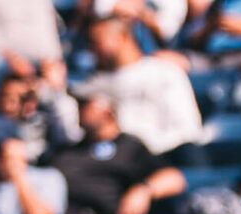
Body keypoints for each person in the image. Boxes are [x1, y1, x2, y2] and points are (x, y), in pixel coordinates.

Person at [49, 92, 185, 214]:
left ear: (108, 111)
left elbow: (175, 179)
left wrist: (144, 190)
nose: (80, 109)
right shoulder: (67, 152)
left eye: (86, 105)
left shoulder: (129, 147)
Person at [83, 13, 201, 158]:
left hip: (166, 156)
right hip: (118, 161)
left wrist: (146, 151)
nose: (92, 50)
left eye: (98, 42)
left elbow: (188, 129)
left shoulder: (164, 72)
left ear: (123, 37)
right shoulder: (92, 86)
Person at [0, 0, 68, 87]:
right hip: (3, 59)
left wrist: (54, 60)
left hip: (41, 63)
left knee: (60, 87)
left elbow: (49, 28)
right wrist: (12, 59)